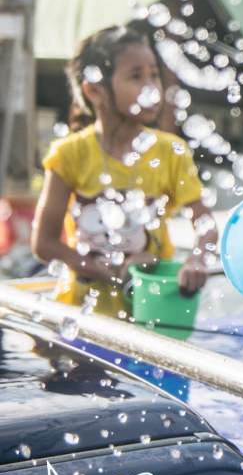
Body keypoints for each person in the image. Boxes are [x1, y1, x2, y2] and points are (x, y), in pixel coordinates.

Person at [31, 26, 217, 319]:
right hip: (79, 315)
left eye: (154, 74)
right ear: (95, 91)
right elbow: (44, 243)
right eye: (135, 76)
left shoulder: (171, 152)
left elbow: (205, 224)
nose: (152, 87)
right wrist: (99, 269)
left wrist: (197, 259)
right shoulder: (69, 153)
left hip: (152, 313)